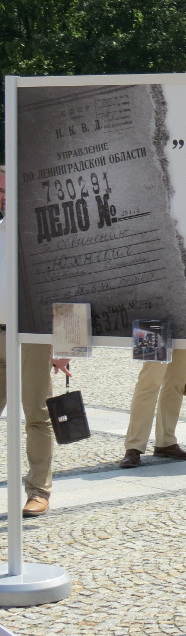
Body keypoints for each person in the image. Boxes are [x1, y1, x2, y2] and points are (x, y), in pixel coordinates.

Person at [0, 165, 71, 517]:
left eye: (6, 190)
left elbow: (63, 291)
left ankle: (39, 490)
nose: (2, 197)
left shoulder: (45, 234)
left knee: (37, 415)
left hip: (32, 335)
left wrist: (63, 347)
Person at [120, 348, 186, 468]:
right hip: (156, 335)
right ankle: (134, 446)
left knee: (176, 384)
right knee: (148, 384)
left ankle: (166, 442)